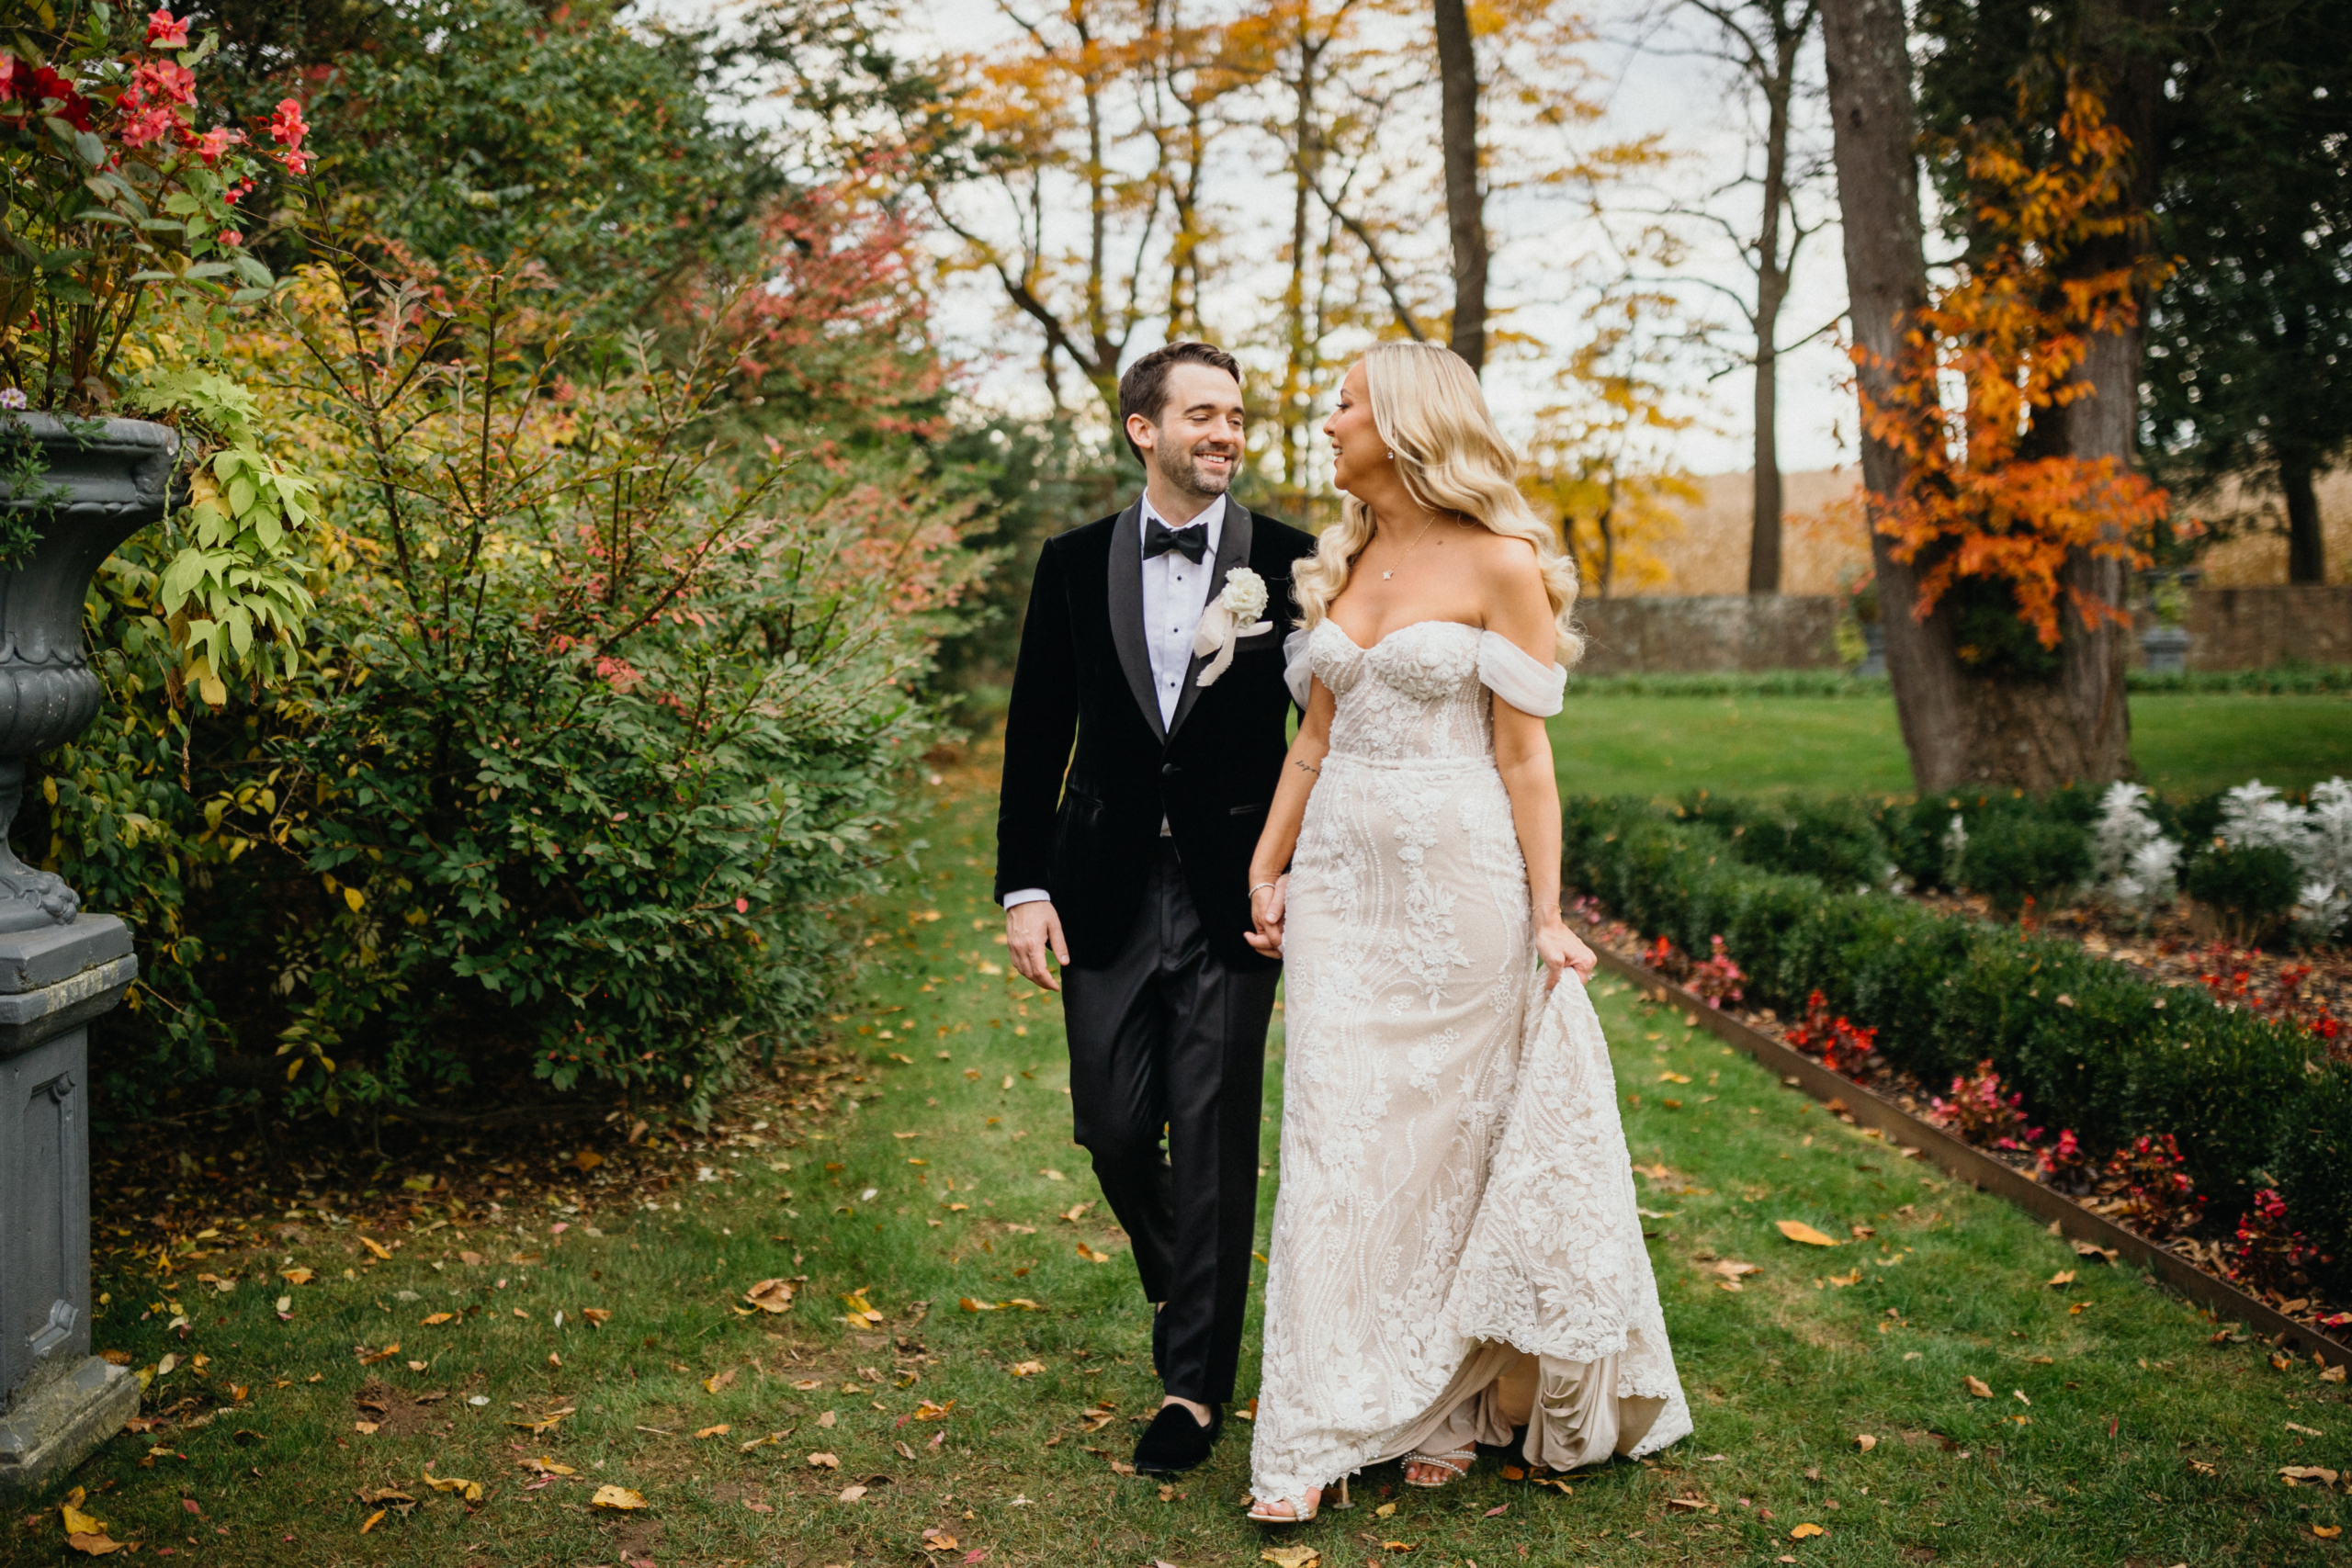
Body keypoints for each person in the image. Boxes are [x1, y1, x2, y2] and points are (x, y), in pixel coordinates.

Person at [1239, 342, 1690, 1522]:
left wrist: (1547, 912)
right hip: (1341, 887)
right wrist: (1269, 858)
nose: (1326, 419)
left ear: (1403, 423)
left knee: (1449, 1145)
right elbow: (1313, 742)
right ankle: (1315, 1421)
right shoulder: (1344, 559)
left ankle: (1449, 1403)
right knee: (1339, 1147)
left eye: (1344, 404)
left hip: (1462, 890)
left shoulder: (1502, 563)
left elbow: (1524, 755)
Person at [994, 341, 1319, 1476]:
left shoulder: (1293, 561)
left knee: (1215, 1134)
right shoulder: (1072, 562)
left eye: (1236, 415)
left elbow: (1329, 731)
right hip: (1103, 884)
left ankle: (1190, 1390)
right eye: (1202, 415)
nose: (1225, 433)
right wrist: (1023, 884)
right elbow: (1037, 729)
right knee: (1119, 1128)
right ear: (1144, 429)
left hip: (1239, 891)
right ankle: (1195, 1282)